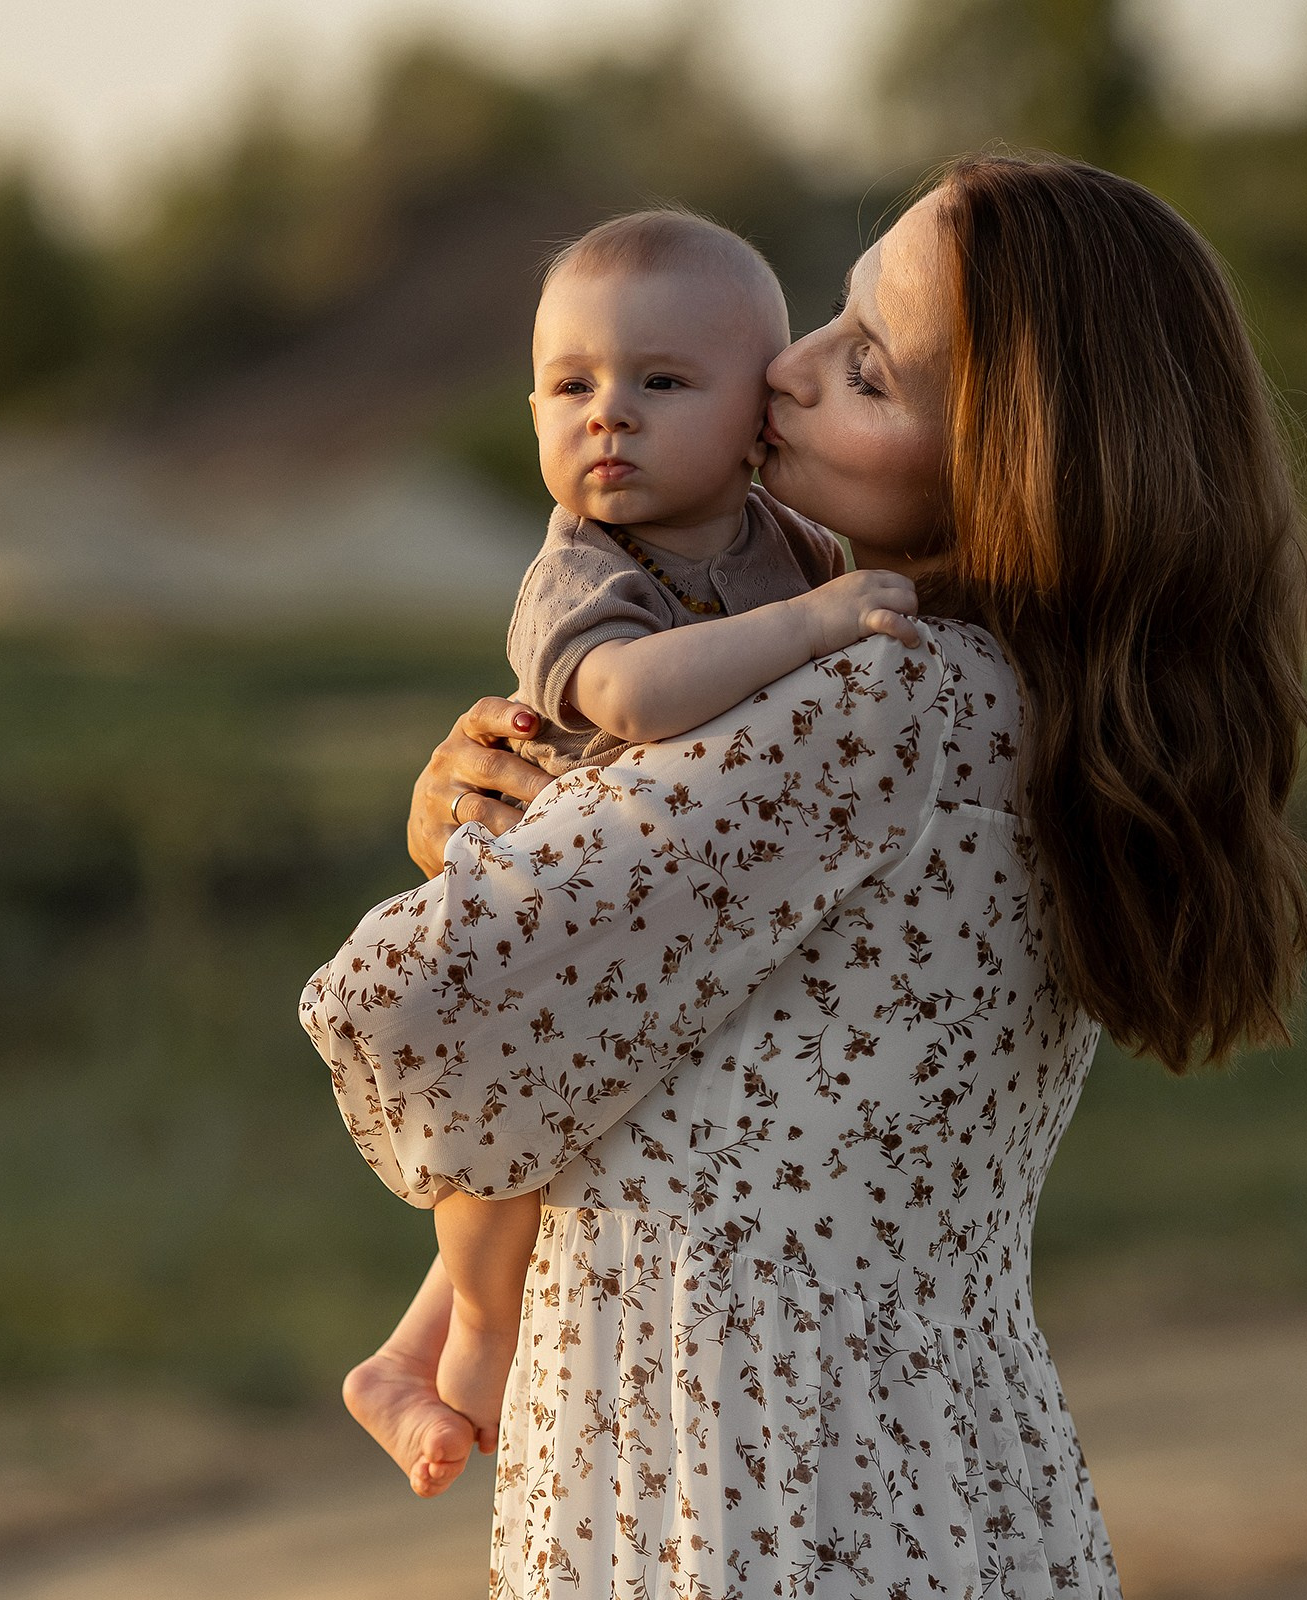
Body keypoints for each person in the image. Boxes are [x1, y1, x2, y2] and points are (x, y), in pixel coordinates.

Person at [303, 154, 1307, 1598]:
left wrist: (470, 863)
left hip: (734, 1478)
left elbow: (413, 1013)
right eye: (828, 323)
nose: (782, 373)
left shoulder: (877, 704)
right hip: (949, 1464)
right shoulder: (1041, 705)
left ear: (1007, 457)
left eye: (865, 366)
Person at [339, 208, 921, 1495]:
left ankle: (400, 1350)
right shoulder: (579, 569)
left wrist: (823, 601)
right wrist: (820, 625)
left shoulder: (794, 547)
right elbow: (636, 699)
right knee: (506, 1140)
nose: (609, 414)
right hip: (561, 912)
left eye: (661, 382)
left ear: (759, 417)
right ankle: (470, 1340)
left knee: (568, 1126)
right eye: (571, 385)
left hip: (672, 919)